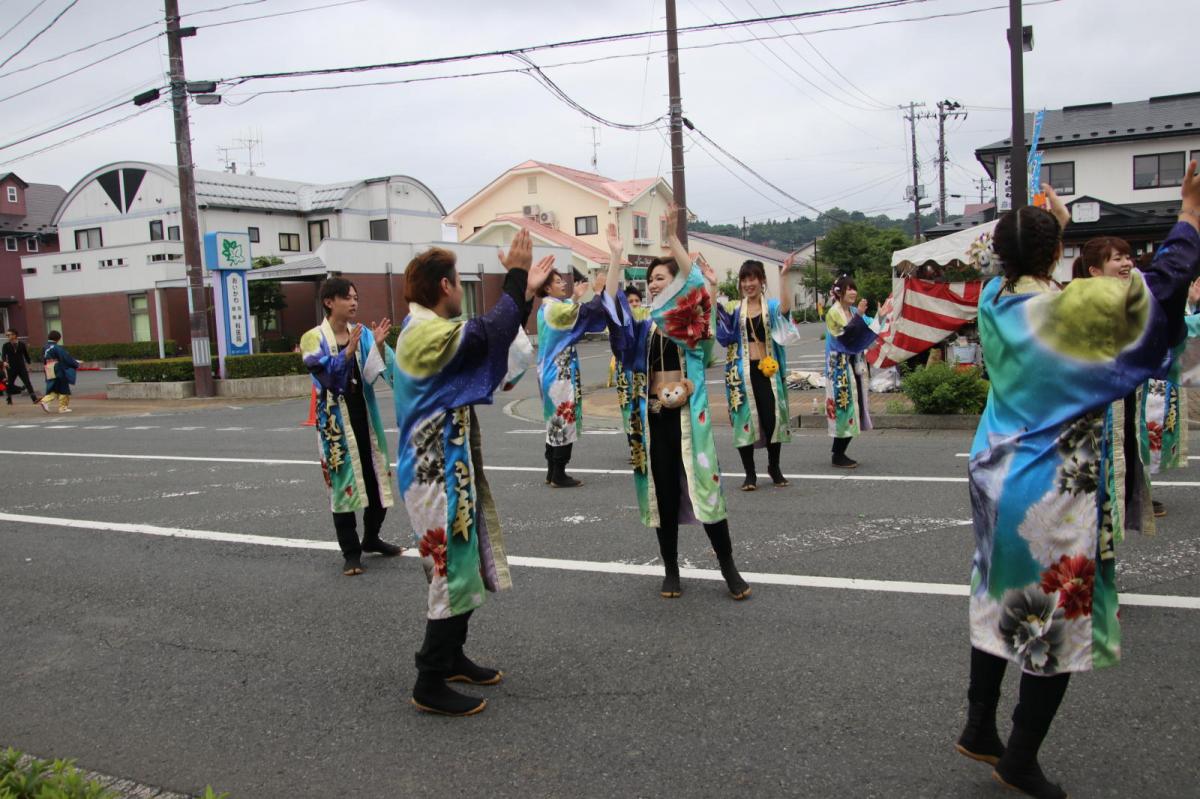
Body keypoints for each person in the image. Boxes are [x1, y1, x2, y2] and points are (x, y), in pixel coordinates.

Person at [956, 173, 1200, 799]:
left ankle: (979, 725)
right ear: (1056, 255)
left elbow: (1021, 264)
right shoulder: (1069, 309)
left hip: (995, 472)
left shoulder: (995, 298)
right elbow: (1162, 288)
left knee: (1000, 597)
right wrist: (1190, 214)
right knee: (1053, 619)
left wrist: (1047, 228)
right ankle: (1019, 759)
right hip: (1050, 483)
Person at [385, 230, 553, 716]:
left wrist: (523, 293)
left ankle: (452, 656)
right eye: (459, 281)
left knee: (463, 561)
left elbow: (490, 335)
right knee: (447, 570)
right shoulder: (422, 334)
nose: (461, 290)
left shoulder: (429, 329)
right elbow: (485, 335)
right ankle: (428, 679)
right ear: (444, 285)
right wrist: (516, 277)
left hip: (447, 467)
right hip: (432, 474)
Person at [607, 219, 750, 601]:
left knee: (707, 489)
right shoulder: (644, 324)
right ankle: (671, 569)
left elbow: (697, 287)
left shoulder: (690, 320)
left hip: (690, 420)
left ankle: (728, 567)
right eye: (650, 280)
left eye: (660, 278)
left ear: (676, 283)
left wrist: (672, 239)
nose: (653, 284)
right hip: (655, 419)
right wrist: (616, 257)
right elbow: (613, 312)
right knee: (664, 494)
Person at [300, 278, 404, 577]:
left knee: (377, 481)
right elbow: (326, 378)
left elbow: (383, 372)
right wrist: (348, 353)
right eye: (347, 297)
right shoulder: (312, 338)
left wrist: (379, 347)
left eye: (356, 297)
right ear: (329, 302)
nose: (354, 302)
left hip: (366, 418)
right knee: (342, 487)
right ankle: (351, 552)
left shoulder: (365, 334)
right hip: (335, 426)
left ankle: (371, 537)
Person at [715, 257, 798, 490]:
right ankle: (749, 473)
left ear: (762, 281)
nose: (748, 284)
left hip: (767, 373)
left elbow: (785, 309)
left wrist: (784, 276)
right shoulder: (735, 309)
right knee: (743, 421)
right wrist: (711, 285)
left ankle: (774, 467)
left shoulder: (770, 307)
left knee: (772, 420)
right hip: (741, 373)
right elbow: (716, 321)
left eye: (753, 279)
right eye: (744, 279)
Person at [537, 268, 608, 487]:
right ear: (547, 288)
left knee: (554, 421)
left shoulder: (547, 307)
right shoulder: (555, 309)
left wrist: (576, 296)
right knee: (563, 420)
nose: (564, 284)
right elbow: (585, 312)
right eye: (558, 282)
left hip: (549, 372)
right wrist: (598, 292)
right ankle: (559, 473)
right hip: (559, 375)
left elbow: (570, 310)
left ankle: (552, 471)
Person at [824, 275, 887, 468]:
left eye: (854, 288)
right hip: (839, 369)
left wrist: (880, 316)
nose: (853, 292)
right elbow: (846, 337)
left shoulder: (852, 311)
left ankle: (838, 452)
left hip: (854, 366)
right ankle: (838, 454)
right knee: (844, 409)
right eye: (848, 288)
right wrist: (859, 315)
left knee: (855, 408)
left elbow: (870, 329)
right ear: (839, 292)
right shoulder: (833, 313)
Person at [39, 331, 78, 414]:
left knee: (54, 387)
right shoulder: (56, 347)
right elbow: (66, 358)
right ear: (58, 339)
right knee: (63, 387)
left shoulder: (45, 347)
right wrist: (75, 363)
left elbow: (43, 359)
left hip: (48, 368)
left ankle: (45, 400)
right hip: (57, 368)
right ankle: (62, 407)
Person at [3, 329, 38, 405]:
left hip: (21, 367)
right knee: (10, 383)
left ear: (15, 335)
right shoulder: (6, 345)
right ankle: (9, 398)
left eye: (9, 335)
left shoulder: (22, 344)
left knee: (27, 382)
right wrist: (4, 362)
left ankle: (34, 398)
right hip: (11, 368)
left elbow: (26, 355)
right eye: (7, 335)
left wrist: (29, 365)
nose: (8, 336)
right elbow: (3, 355)